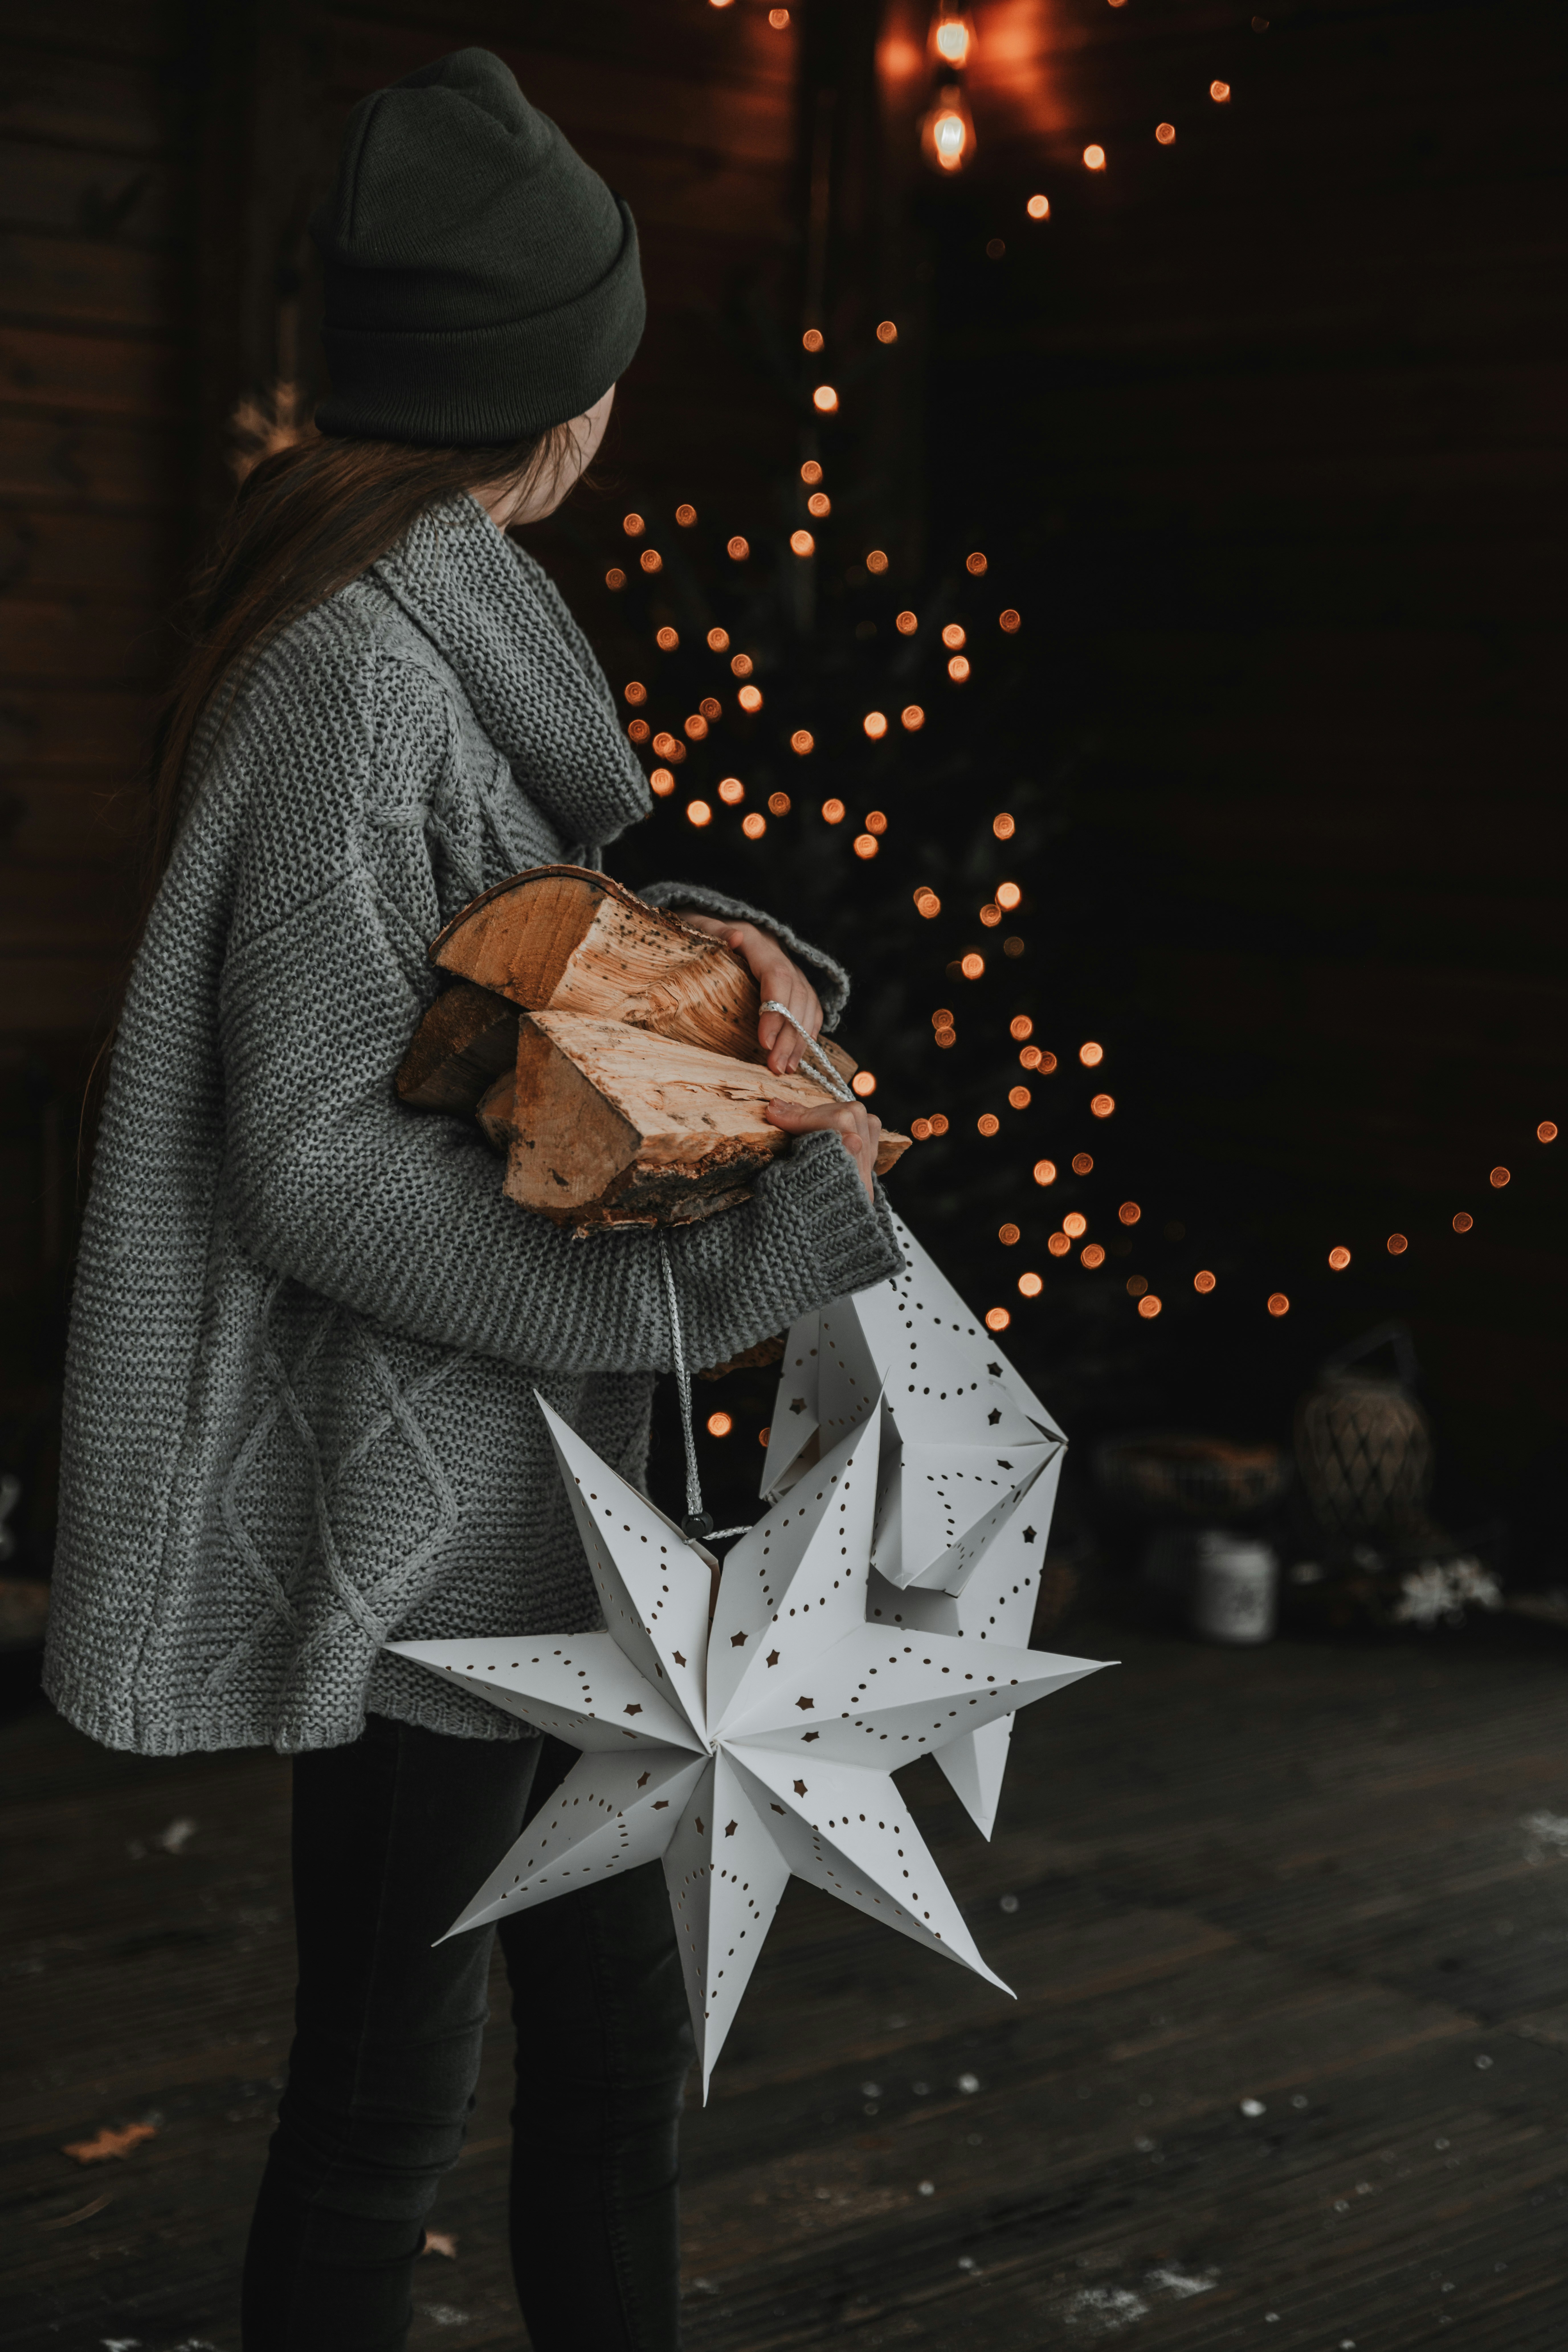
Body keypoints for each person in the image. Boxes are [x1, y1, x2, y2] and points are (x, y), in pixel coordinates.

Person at [42, 50, 901, 2352]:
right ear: (551, 390)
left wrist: (725, 980)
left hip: (544, 1516)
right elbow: (313, 1155)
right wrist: (688, 1278)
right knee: (387, 2100)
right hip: (423, 1529)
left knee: (610, 2061)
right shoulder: (345, 681)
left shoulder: (447, 629)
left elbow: (503, 966)